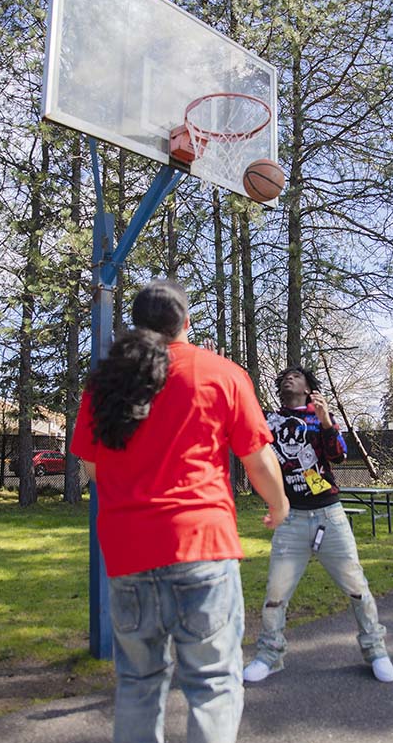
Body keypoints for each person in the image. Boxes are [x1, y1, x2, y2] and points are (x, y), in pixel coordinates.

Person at [69, 279, 289, 743]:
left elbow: (90, 465)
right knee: (211, 685)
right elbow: (258, 459)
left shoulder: (106, 384)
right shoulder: (221, 373)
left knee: (138, 684)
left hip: (128, 556)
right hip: (201, 549)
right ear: (186, 323)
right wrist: (279, 503)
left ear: (138, 324)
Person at [243, 365, 393, 684]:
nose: (289, 378)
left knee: (357, 587)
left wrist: (326, 420)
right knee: (275, 592)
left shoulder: (320, 416)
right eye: (284, 376)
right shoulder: (270, 419)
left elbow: (338, 455)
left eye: (296, 376)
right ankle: (269, 656)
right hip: (291, 519)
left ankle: (376, 650)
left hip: (329, 515)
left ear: (308, 387)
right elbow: (256, 453)